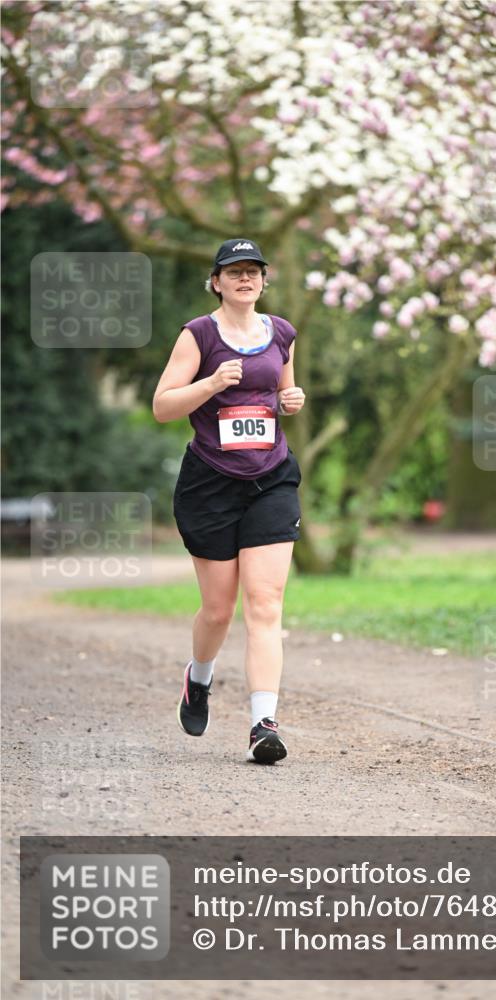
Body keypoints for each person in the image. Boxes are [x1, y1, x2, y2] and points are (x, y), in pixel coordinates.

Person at [152, 238, 305, 764]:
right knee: (218, 611)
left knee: (265, 604)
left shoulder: (281, 333)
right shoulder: (197, 336)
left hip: (270, 479)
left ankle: (263, 725)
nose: (245, 278)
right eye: (233, 271)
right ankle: (198, 679)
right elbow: (163, 406)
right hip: (210, 484)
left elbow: (282, 394)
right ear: (216, 281)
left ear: (264, 281)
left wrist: (292, 399)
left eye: (253, 271)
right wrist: (211, 382)